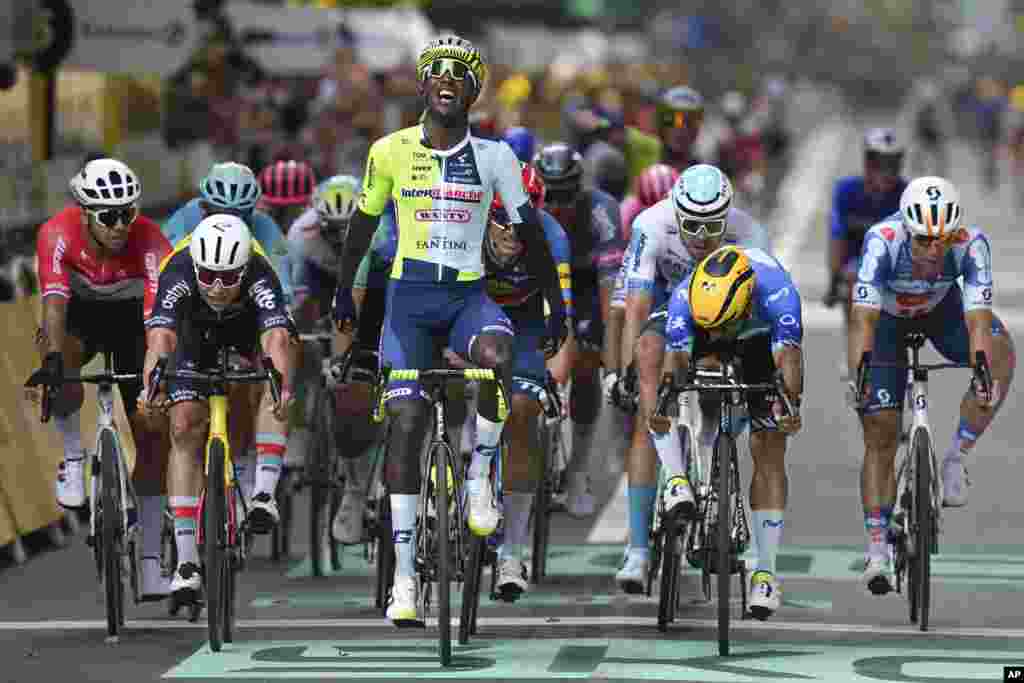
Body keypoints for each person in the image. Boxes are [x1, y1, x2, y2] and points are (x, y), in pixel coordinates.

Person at [333, 34, 568, 625]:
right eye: (435, 71)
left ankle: (481, 473)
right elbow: (362, 232)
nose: (446, 79)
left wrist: (557, 308)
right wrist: (343, 293)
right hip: (409, 301)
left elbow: (532, 235)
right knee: (407, 422)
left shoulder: (495, 158)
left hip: (466, 296)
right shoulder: (387, 151)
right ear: (422, 84)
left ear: (473, 90)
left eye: (459, 74)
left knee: (499, 350)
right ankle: (405, 579)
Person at [849, 177, 1015, 594]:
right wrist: (862, 373)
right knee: (881, 432)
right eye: (923, 240)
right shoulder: (881, 241)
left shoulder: (971, 244)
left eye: (941, 239)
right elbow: (863, 320)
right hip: (885, 324)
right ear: (907, 229)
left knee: (999, 353)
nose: (933, 250)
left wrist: (980, 370)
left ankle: (957, 457)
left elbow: (978, 317)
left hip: (943, 315)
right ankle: (876, 547)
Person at [610, 164, 770, 593]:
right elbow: (637, 305)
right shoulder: (651, 225)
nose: (701, 235)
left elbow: (765, 314)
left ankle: (716, 463)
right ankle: (639, 551)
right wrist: (629, 368)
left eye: (713, 225)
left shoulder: (749, 233)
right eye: (692, 224)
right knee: (650, 412)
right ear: (674, 211)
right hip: (668, 307)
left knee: (738, 389)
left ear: (729, 216)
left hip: (727, 315)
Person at [32, 158, 173, 600]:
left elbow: (159, 322)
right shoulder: (57, 233)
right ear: (85, 214)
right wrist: (55, 363)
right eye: (108, 216)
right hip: (80, 319)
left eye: (127, 213)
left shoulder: (152, 241)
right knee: (57, 357)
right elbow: (54, 304)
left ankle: (151, 563)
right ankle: (73, 458)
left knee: (154, 429)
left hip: (135, 325)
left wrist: (156, 376)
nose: (119, 225)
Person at [140, 215, 297, 604]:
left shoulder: (261, 272)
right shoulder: (176, 270)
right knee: (184, 426)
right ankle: (186, 563)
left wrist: (282, 387)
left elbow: (275, 336)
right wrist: (151, 385)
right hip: (193, 333)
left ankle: (263, 491)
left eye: (229, 277)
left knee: (276, 376)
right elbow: (160, 338)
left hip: (246, 329)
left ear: (244, 268)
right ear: (196, 266)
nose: (217, 286)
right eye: (209, 275)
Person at [656, 244, 804, 620]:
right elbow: (673, 361)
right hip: (703, 330)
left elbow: (788, 362)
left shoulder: (779, 294)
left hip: (758, 337)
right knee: (661, 390)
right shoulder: (685, 299)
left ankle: (765, 571)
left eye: (724, 325)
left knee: (770, 442)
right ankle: (679, 476)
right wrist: (668, 394)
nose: (720, 332)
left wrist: (788, 406)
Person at [162, 160, 295, 505]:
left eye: (241, 215)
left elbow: (282, 295)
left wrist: (281, 333)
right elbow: (162, 285)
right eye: (220, 212)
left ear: (254, 211)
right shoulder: (182, 223)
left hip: (245, 311)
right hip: (194, 312)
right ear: (202, 207)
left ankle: (250, 463)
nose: (229, 221)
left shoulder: (266, 231)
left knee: (260, 371)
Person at [533, 142, 625, 517]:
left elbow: (609, 289)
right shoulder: (523, 205)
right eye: (548, 196)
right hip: (539, 281)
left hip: (587, 286)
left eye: (565, 196)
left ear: (580, 191)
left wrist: (610, 350)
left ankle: (579, 468)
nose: (556, 206)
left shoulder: (602, 211)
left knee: (587, 363)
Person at [823, 128, 908, 373]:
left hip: (895, 262)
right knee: (852, 281)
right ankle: (854, 342)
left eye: (892, 164)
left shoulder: (906, 192)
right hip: (857, 262)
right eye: (880, 163)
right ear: (867, 163)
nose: (886, 171)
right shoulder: (846, 190)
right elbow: (836, 235)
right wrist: (833, 280)